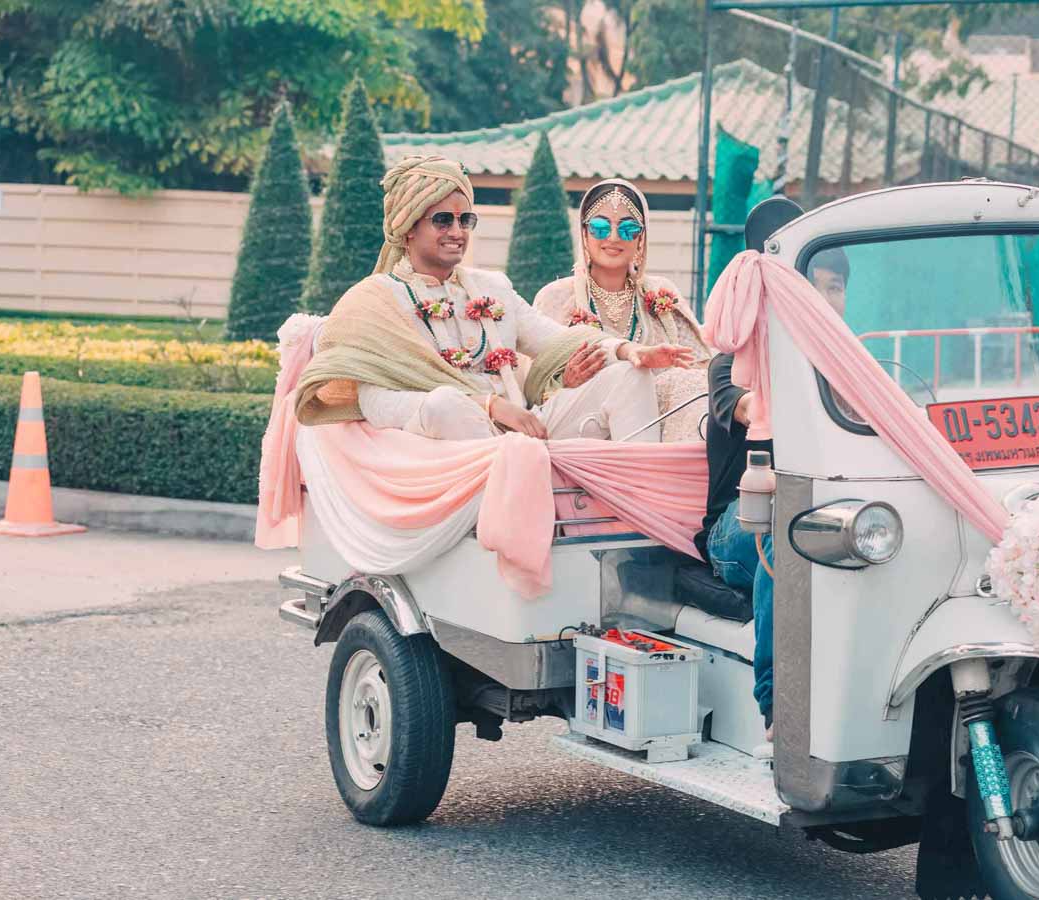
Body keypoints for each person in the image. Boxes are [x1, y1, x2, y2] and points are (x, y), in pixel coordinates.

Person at [295, 156, 694, 440]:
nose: (457, 231)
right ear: (407, 228)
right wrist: (485, 405)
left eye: (465, 220)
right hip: (457, 438)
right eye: (442, 219)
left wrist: (628, 352)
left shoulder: (491, 287)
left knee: (628, 377)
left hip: (527, 429)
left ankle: (638, 525)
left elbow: (557, 340)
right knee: (444, 404)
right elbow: (373, 397)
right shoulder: (376, 300)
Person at [693, 247, 852, 738]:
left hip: (823, 511)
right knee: (785, 532)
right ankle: (776, 703)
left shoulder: (850, 362)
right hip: (736, 526)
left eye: (835, 287)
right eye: (812, 287)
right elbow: (744, 407)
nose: (825, 298)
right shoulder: (732, 363)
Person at [534, 179, 711, 442]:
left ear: (641, 238)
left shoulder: (663, 293)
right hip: (586, 424)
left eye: (628, 228)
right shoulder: (557, 297)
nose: (613, 238)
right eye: (600, 227)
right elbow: (531, 384)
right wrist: (565, 382)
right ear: (584, 233)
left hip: (663, 421)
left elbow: (699, 367)